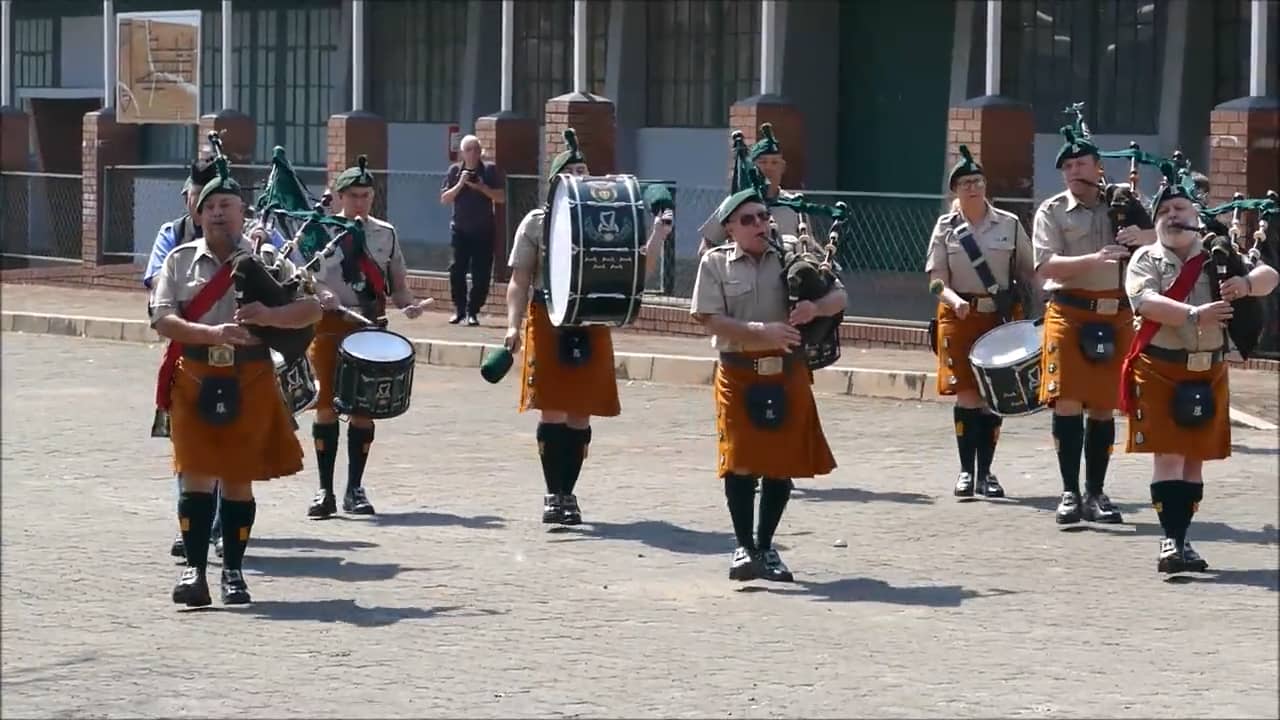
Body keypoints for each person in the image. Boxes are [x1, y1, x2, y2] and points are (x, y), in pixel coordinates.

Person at [149, 159, 322, 607]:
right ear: (198, 214)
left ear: (242, 212)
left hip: (250, 375)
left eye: (227, 204)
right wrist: (209, 333)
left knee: (238, 476)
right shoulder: (178, 260)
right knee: (197, 476)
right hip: (195, 374)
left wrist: (270, 315)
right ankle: (194, 572)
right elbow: (161, 317)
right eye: (210, 206)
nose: (219, 213)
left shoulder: (268, 259)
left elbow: (313, 310)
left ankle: (233, 574)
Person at [503, 129, 672, 525]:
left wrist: (657, 236)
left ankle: (568, 493)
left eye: (585, 171)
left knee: (581, 413)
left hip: (592, 316)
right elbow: (520, 278)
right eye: (573, 171)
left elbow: (636, 270)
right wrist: (512, 326)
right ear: (558, 181)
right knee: (554, 409)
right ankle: (552, 494)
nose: (581, 177)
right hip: (549, 316)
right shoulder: (536, 222)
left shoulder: (607, 219)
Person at [1121, 172, 1278, 572]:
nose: (1174, 216)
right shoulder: (1146, 258)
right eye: (1166, 210)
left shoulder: (1218, 255)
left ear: (1195, 214)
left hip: (1208, 369)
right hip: (1161, 367)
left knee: (1194, 461)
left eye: (1181, 209)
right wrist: (1194, 313)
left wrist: (1243, 282)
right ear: (1156, 220)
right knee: (1170, 456)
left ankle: (1182, 539)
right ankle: (1170, 542)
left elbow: (1270, 277)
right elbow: (1146, 302)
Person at [690, 188, 843, 582]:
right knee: (739, 460)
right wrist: (761, 332)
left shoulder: (792, 254)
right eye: (748, 220)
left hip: (786, 372)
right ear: (729, 229)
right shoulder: (715, 264)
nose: (759, 224)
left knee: (780, 463)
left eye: (762, 216)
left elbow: (839, 295)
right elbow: (708, 318)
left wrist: (816, 307)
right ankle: (743, 548)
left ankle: (766, 546)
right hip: (739, 370)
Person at [1032, 127, 1155, 526]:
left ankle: (1097, 493)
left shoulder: (1125, 203)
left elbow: (1170, 238)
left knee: (1104, 406)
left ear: (1098, 167)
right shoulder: (1051, 211)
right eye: (1068, 166)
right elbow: (1045, 266)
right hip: (1069, 311)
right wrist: (1094, 259)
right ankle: (1069, 492)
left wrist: (1145, 234)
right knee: (1066, 401)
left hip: (1115, 313)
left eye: (1081, 163)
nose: (1074, 171)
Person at [305, 155, 431, 519]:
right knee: (326, 406)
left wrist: (410, 306)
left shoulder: (385, 233)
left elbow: (399, 286)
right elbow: (304, 277)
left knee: (363, 410)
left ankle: (354, 489)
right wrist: (319, 294)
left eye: (367, 195)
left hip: (368, 327)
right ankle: (324, 491)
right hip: (329, 326)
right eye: (354, 195)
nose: (361, 202)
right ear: (341, 196)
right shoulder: (322, 230)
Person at [924, 146, 1035, 498]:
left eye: (978, 181)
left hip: (999, 318)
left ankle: (986, 472)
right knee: (967, 396)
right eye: (965, 182)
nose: (973, 187)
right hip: (960, 316)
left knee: (993, 397)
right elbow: (936, 279)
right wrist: (953, 300)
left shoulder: (1009, 224)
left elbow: (1028, 273)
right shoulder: (946, 228)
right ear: (955, 190)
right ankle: (965, 473)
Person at [698, 124, 807, 256]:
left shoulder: (796, 206)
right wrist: (727, 263)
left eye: (774, 162)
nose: (769, 168)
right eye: (763, 162)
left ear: (783, 167)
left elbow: (808, 245)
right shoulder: (735, 204)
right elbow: (705, 247)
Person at [439, 135, 506, 326]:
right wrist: (460, 184)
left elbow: (501, 197)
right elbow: (444, 199)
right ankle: (459, 310)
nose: (473, 153)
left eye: (476, 149)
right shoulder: (454, 171)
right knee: (456, 270)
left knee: (482, 274)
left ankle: (472, 311)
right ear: (462, 153)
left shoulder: (489, 170)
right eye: (469, 150)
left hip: (484, 230)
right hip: (460, 229)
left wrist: (481, 187)